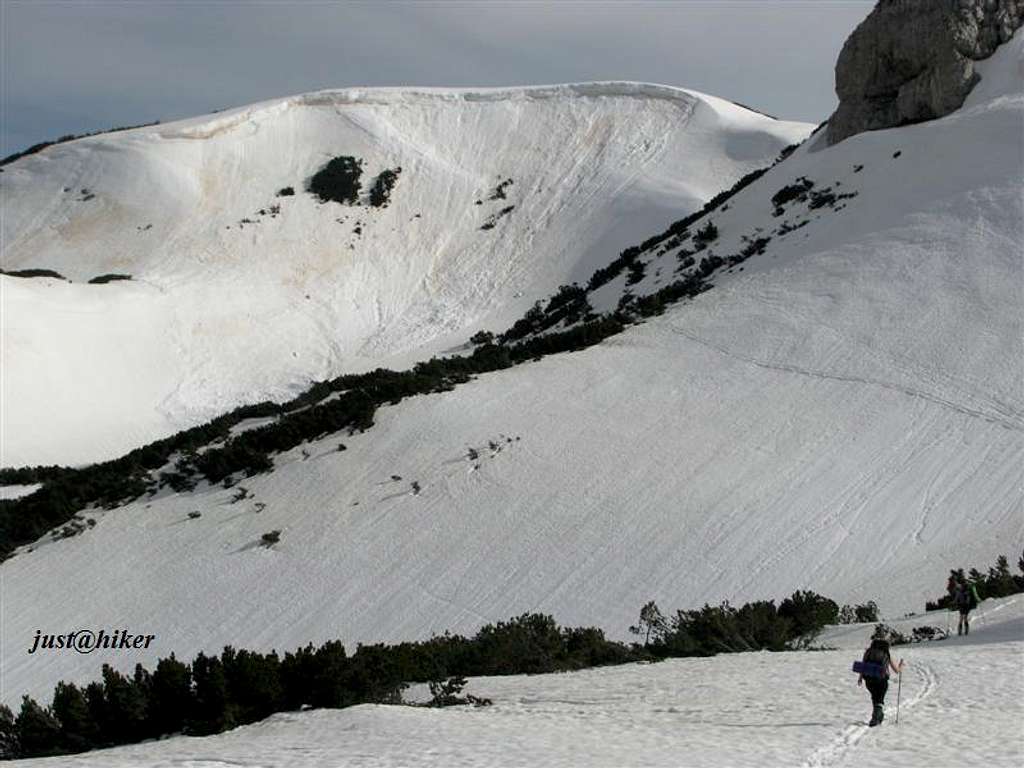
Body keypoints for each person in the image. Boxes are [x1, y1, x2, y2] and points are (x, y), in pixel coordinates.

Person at [857, 636, 904, 726]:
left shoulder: (868, 652)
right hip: (882, 680)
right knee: (879, 700)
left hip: (869, 680)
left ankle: (879, 716)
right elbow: (897, 670)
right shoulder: (886, 653)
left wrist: (860, 678)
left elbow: (863, 666)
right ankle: (875, 718)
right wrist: (901, 665)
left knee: (875, 698)